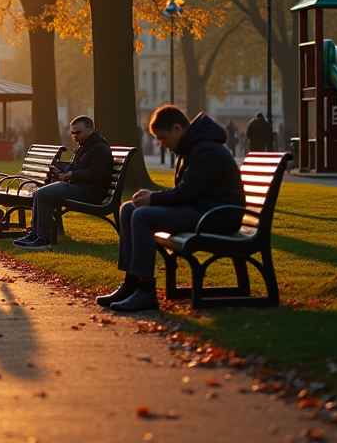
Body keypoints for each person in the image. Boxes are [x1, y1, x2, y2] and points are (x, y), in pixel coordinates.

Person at [98, 105, 245, 312]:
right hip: (202, 210)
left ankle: (146, 290)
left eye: (162, 137)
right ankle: (131, 284)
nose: (161, 143)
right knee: (129, 209)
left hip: (217, 217)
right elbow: (188, 192)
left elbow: (186, 193)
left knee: (142, 216)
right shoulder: (193, 147)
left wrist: (153, 198)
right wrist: (151, 196)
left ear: (177, 129)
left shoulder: (206, 150)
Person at [14, 116, 112, 250]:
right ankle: (34, 234)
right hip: (79, 186)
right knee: (39, 193)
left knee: (43, 195)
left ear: (89, 130)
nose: (75, 136)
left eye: (78, 132)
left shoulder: (99, 148)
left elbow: (97, 173)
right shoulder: (84, 147)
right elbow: (74, 167)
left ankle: (42, 239)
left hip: (91, 191)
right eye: (72, 133)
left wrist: (73, 175)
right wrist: (60, 171)